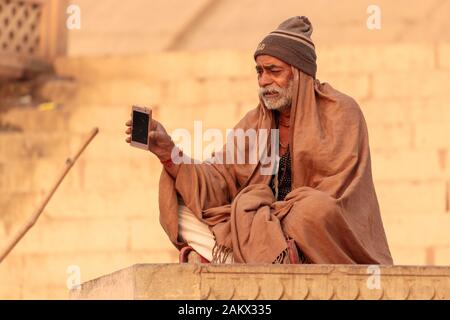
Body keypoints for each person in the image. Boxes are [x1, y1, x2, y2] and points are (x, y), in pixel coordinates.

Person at [125, 16, 393, 265]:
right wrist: (170, 153)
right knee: (180, 202)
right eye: (259, 71)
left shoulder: (341, 112)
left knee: (312, 210)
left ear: (299, 73)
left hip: (315, 233)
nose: (264, 81)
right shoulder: (255, 121)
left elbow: (338, 198)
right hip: (262, 227)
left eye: (273, 71)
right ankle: (259, 257)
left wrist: (267, 217)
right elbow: (219, 179)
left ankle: (248, 258)